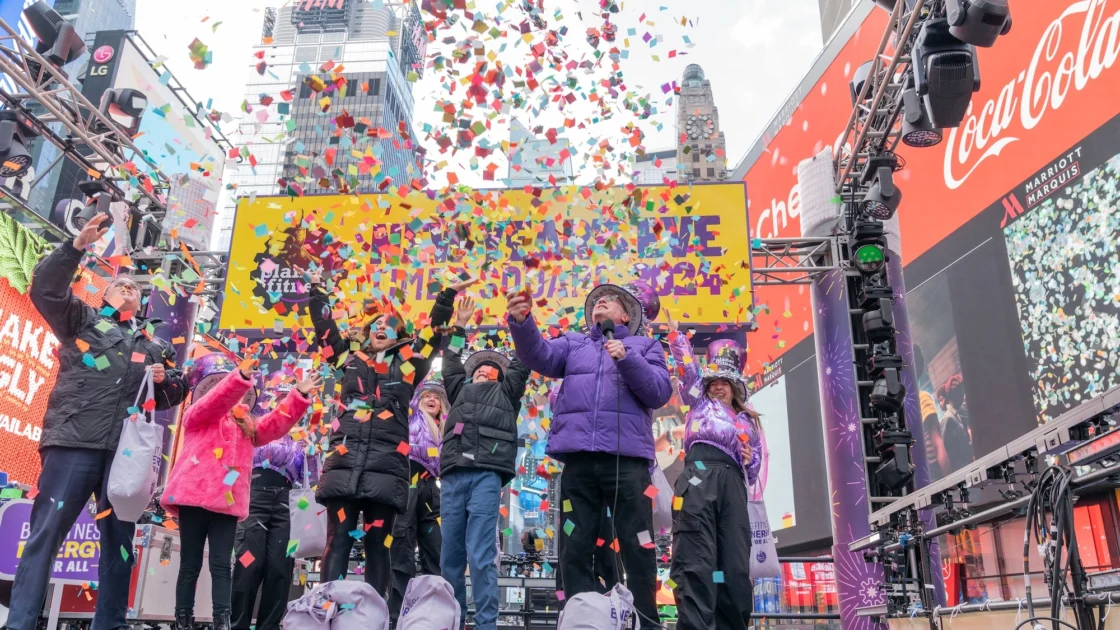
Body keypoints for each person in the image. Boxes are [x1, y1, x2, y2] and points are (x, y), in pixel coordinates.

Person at [4, 214, 188, 630]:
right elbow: (46, 289)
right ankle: (20, 622)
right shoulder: (82, 319)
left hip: (124, 457)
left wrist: (167, 380)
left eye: (136, 289)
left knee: (119, 544)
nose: (129, 289)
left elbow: (177, 391)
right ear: (103, 292)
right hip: (73, 443)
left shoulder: (154, 344)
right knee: (45, 536)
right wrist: (75, 246)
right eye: (121, 284)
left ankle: (110, 623)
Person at [506, 281, 672, 630]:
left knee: (637, 543)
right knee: (575, 543)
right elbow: (539, 355)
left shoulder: (646, 346)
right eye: (596, 300)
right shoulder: (574, 344)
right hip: (578, 462)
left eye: (608, 301)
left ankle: (646, 620)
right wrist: (522, 322)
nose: (600, 302)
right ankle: (581, 618)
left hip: (628, 464)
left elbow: (658, 392)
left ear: (626, 314)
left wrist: (627, 359)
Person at [304, 266, 470, 594]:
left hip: (387, 466)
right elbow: (324, 329)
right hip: (345, 460)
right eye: (377, 324)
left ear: (401, 336)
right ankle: (327, 608)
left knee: (379, 544)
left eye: (390, 325)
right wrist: (317, 291)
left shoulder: (408, 365)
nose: (382, 327)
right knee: (337, 540)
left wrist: (447, 296)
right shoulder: (348, 359)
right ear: (367, 332)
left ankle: (374, 615)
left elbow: (433, 333)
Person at [162, 358, 320, 630]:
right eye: (230, 389)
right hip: (193, 499)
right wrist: (238, 378)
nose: (238, 395)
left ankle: (222, 622)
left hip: (226, 504)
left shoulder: (245, 425)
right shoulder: (199, 414)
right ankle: (183, 621)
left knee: (222, 566)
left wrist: (298, 396)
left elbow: (274, 425)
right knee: (190, 564)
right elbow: (215, 402)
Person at [664, 311, 761, 630]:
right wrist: (678, 338)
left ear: (735, 389)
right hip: (697, 475)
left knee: (732, 566)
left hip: (732, 486)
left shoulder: (747, 421)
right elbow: (688, 371)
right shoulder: (698, 402)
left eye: (726, 383)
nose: (719, 387)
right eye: (715, 382)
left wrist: (748, 458)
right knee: (696, 559)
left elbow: (754, 467)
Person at [440, 296, 532, 630]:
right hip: (452, 476)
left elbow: (523, 362)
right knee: (449, 558)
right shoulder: (458, 389)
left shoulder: (507, 392)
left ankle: (486, 625)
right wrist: (460, 327)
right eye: (478, 368)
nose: (483, 370)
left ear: (499, 376)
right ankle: (451, 620)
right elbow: (450, 360)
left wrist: (521, 322)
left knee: (480, 556)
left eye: (490, 369)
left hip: (485, 476)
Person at [231, 375, 320, 630]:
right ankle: (237, 625)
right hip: (255, 494)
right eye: (281, 398)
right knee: (248, 565)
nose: (286, 405)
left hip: (288, 502)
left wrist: (310, 452)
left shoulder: (302, 436)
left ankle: (269, 627)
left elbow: (311, 478)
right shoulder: (255, 424)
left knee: (280, 570)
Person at [387, 376, 449, 623]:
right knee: (401, 546)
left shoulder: (444, 429)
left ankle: (433, 617)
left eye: (437, 397)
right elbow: (407, 388)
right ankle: (397, 616)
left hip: (431, 486)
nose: (432, 399)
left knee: (436, 549)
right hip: (407, 477)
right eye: (427, 395)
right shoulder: (411, 416)